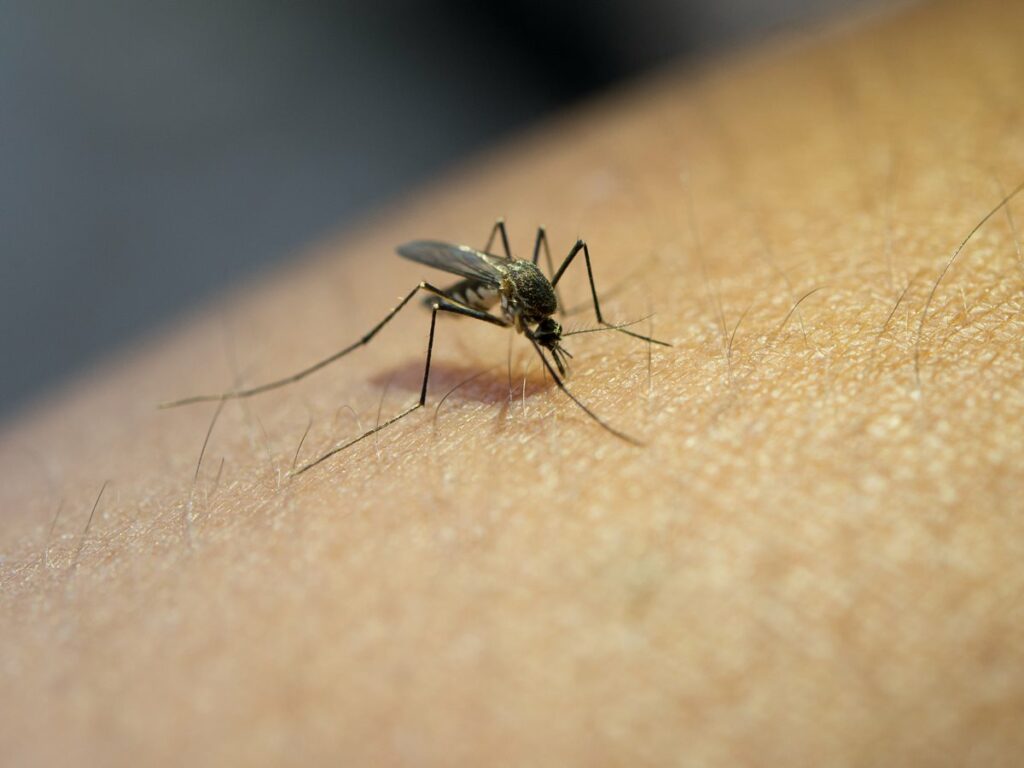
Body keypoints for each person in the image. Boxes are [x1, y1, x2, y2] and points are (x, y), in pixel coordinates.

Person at [2, 0, 1022, 763]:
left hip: (510, 272)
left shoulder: (542, 294)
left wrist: (587, 327)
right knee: (435, 305)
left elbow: (549, 295)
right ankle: (379, 386)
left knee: (545, 250)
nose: (545, 345)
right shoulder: (500, 299)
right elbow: (491, 292)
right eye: (548, 337)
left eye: (546, 335)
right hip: (470, 280)